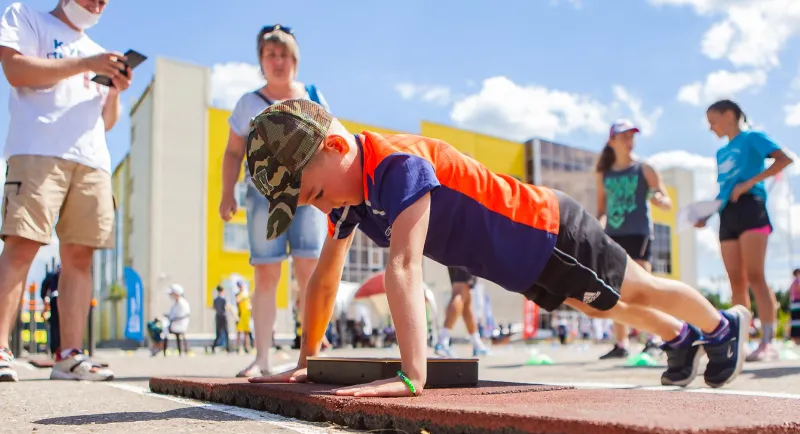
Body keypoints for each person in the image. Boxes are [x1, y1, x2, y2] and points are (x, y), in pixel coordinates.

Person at [241, 99, 751, 397]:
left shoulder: (398, 166)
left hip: (550, 231)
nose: (319, 207)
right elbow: (325, 279)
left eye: (314, 194)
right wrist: (312, 361)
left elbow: (403, 265)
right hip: (520, 262)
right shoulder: (349, 198)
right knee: (593, 302)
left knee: (638, 287)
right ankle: (680, 336)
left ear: (334, 148)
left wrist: (412, 375)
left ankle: (721, 325)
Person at [0, 0, 132, 383]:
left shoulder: (97, 52)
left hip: (91, 159)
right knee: (22, 243)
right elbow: (16, 70)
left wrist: (116, 91)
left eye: (104, 1)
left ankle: (69, 355)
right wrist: (87, 64)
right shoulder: (25, 16)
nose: (97, 5)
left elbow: (107, 121)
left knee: (80, 255)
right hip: (38, 148)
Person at [219, 24, 329, 378]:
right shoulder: (248, 103)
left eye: (284, 54)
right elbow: (234, 151)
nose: (278, 60)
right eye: (271, 54)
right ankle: (262, 357)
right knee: (266, 273)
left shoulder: (312, 95)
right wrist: (226, 193)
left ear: (295, 60)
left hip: (309, 195)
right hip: (262, 194)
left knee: (309, 269)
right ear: (261, 61)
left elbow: (332, 143)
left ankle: (313, 351)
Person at [696, 100, 793, 362]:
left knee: (755, 276)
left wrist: (750, 182)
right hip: (727, 214)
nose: (710, 128)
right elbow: (724, 189)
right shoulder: (721, 153)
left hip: (752, 207)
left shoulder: (752, 137)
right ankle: (742, 343)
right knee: (735, 281)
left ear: (729, 115)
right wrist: (706, 213)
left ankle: (768, 342)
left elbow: (785, 159)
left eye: (712, 120)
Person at [596, 120, 672, 361]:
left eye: (632, 136)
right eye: (624, 136)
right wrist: (597, 228)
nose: (629, 140)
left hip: (639, 233)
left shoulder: (644, 168)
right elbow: (601, 209)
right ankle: (621, 343)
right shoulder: (604, 174)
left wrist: (659, 199)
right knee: (614, 289)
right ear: (612, 141)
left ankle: (653, 339)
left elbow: (665, 200)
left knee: (643, 288)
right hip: (613, 235)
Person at [434, 268, 488, 357]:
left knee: (465, 295)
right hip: (465, 254)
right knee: (459, 292)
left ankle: (477, 344)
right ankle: (442, 341)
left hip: (454, 255)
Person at [164, 284, 190, 356]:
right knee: (164, 327)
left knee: (166, 329)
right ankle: (162, 349)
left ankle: (164, 349)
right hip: (175, 322)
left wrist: (170, 318)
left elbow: (179, 315)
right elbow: (171, 313)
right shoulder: (176, 302)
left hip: (179, 324)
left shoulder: (182, 303)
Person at [40, 265, 61, 355]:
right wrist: (44, 297)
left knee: (55, 325)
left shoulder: (53, 275)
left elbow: (44, 287)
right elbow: (44, 287)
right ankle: (57, 348)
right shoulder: (53, 275)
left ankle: (58, 348)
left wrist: (44, 297)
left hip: (57, 298)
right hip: (57, 299)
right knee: (56, 324)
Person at [211, 285, 230, 353]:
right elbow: (226, 307)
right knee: (226, 332)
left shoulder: (215, 299)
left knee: (218, 333)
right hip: (223, 316)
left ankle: (213, 346)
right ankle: (228, 348)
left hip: (218, 316)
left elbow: (213, 307)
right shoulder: (224, 299)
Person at [790, 269, 800, 345]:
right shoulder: (796, 281)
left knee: (796, 321)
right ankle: (796, 339)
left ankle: (797, 339)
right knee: (797, 321)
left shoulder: (795, 282)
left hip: (796, 303)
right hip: (797, 303)